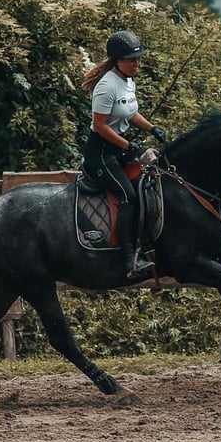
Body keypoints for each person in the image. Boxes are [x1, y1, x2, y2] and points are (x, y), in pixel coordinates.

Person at [80, 30, 167, 279]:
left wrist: (152, 127)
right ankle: (129, 259)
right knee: (128, 196)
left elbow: (129, 113)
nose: (136, 63)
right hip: (102, 154)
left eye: (137, 59)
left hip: (118, 149)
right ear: (118, 61)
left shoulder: (128, 81)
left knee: (148, 184)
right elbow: (100, 126)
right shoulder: (106, 86)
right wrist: (127, 146)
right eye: (131, 60)